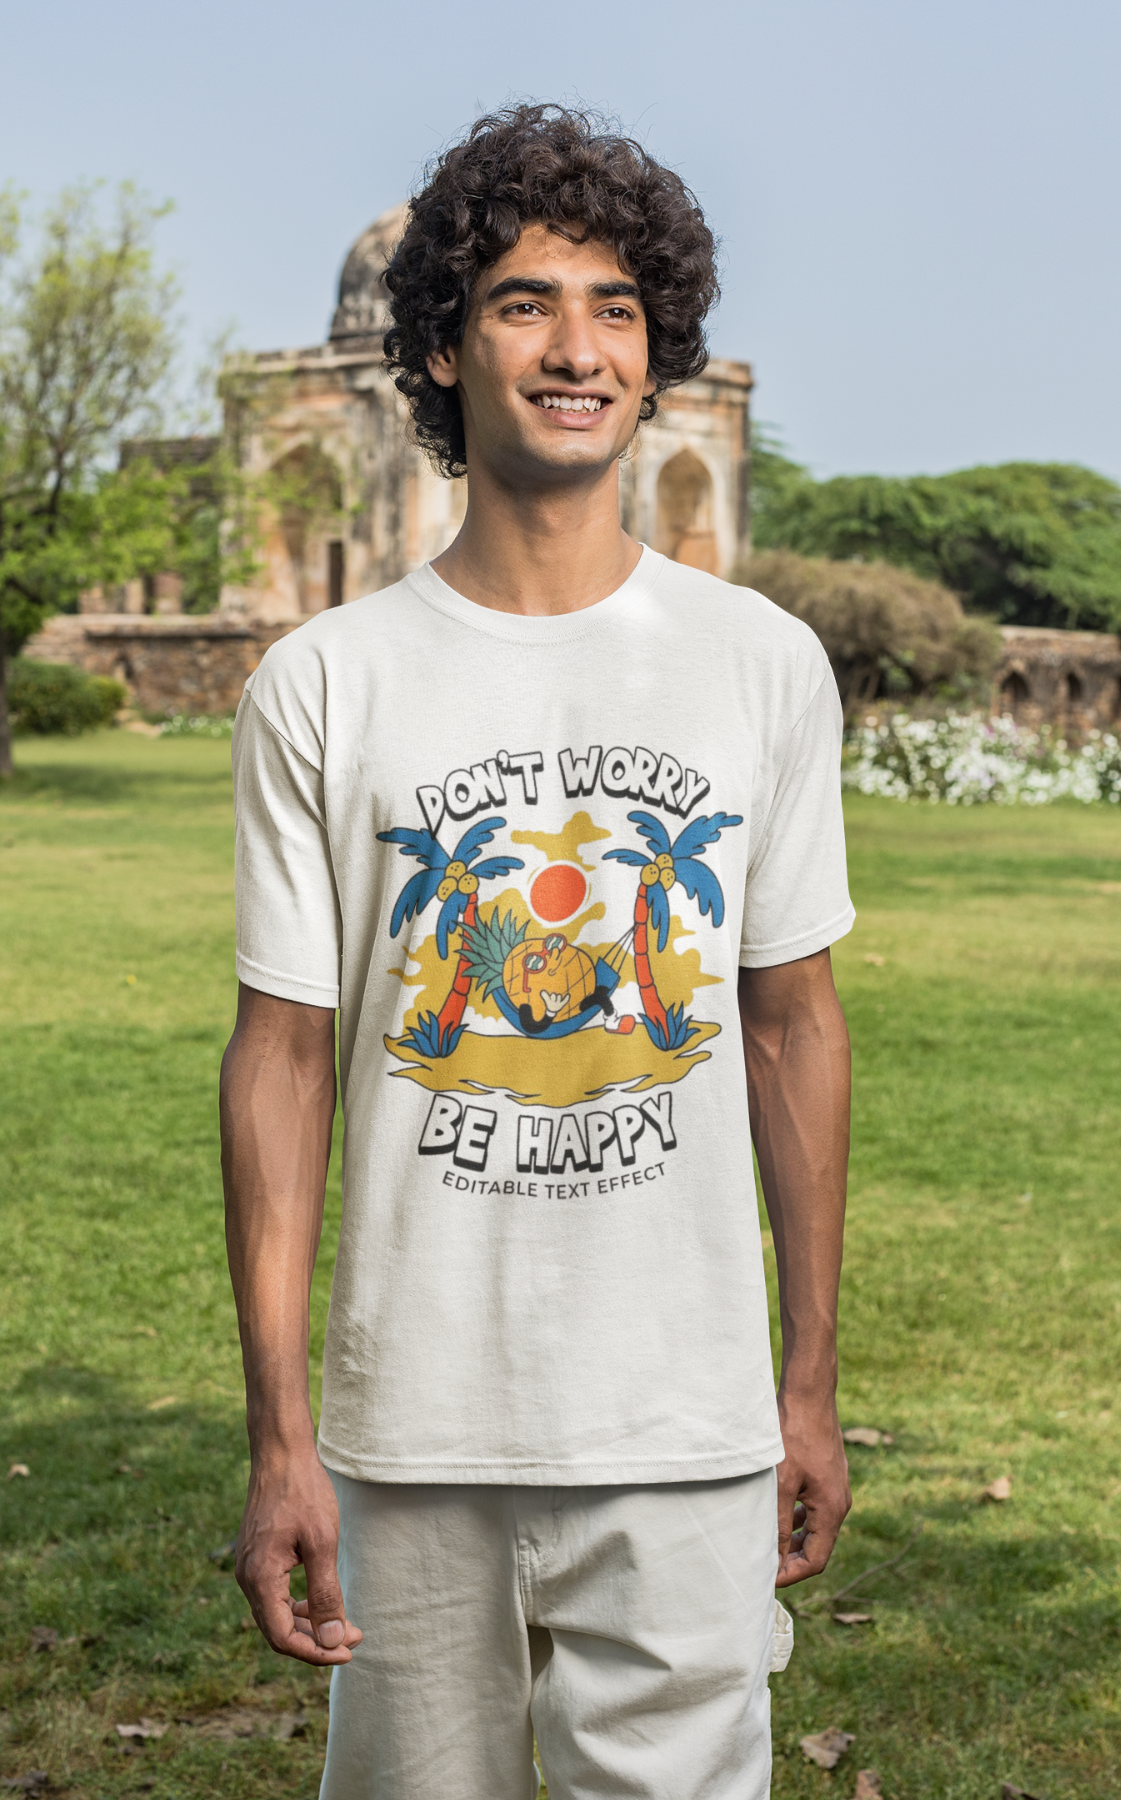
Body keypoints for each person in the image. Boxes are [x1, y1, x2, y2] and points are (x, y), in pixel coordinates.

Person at [221, 104, 854, 1800]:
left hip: (685, 1423)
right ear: (441, 347)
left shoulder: (760, 663)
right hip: (412, 1427)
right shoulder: (328, 683)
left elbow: (790, 1026)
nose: (578, 350)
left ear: (659, 356)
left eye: (616, 310)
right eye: (524, 303)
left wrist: (806, 1383)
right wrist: (281, 1435)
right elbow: (282, 1055)